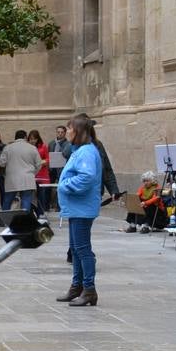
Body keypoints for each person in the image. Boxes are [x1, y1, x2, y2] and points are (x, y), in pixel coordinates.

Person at [56, 115, 103, 306]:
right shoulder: (80, 150)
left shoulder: (86, 152)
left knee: (83, 249)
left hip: (82, 208)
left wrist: (64, 185)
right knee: (75, 249)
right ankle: (77, 286)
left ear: (78, 131)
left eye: (69, 129)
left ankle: (89, 289)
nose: (66, 132)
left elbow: (87, 177)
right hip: (77, 208)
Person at [0, 129, 42, 212]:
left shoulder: (8, 147)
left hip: (12, 179)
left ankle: (3, 220)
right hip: (28, 178)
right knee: (26, 200)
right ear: (25, 137)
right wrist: (33, 173)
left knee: (8, 200)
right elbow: (39, 164)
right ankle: (24, 221)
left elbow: (1, 163)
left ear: (15, 137)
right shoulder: (32, 148)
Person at [28, 130, 51, 213]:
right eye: (30, 139)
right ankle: (31, 212)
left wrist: (41, 162)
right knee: (31, 195)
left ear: (38, 139)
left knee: (41, 194)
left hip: (42, 173)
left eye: (34, 139)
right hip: (31, 174)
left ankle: (41, 212)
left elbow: (48, 159)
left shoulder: (43, 146)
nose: (32, 141)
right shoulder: (27, 147)